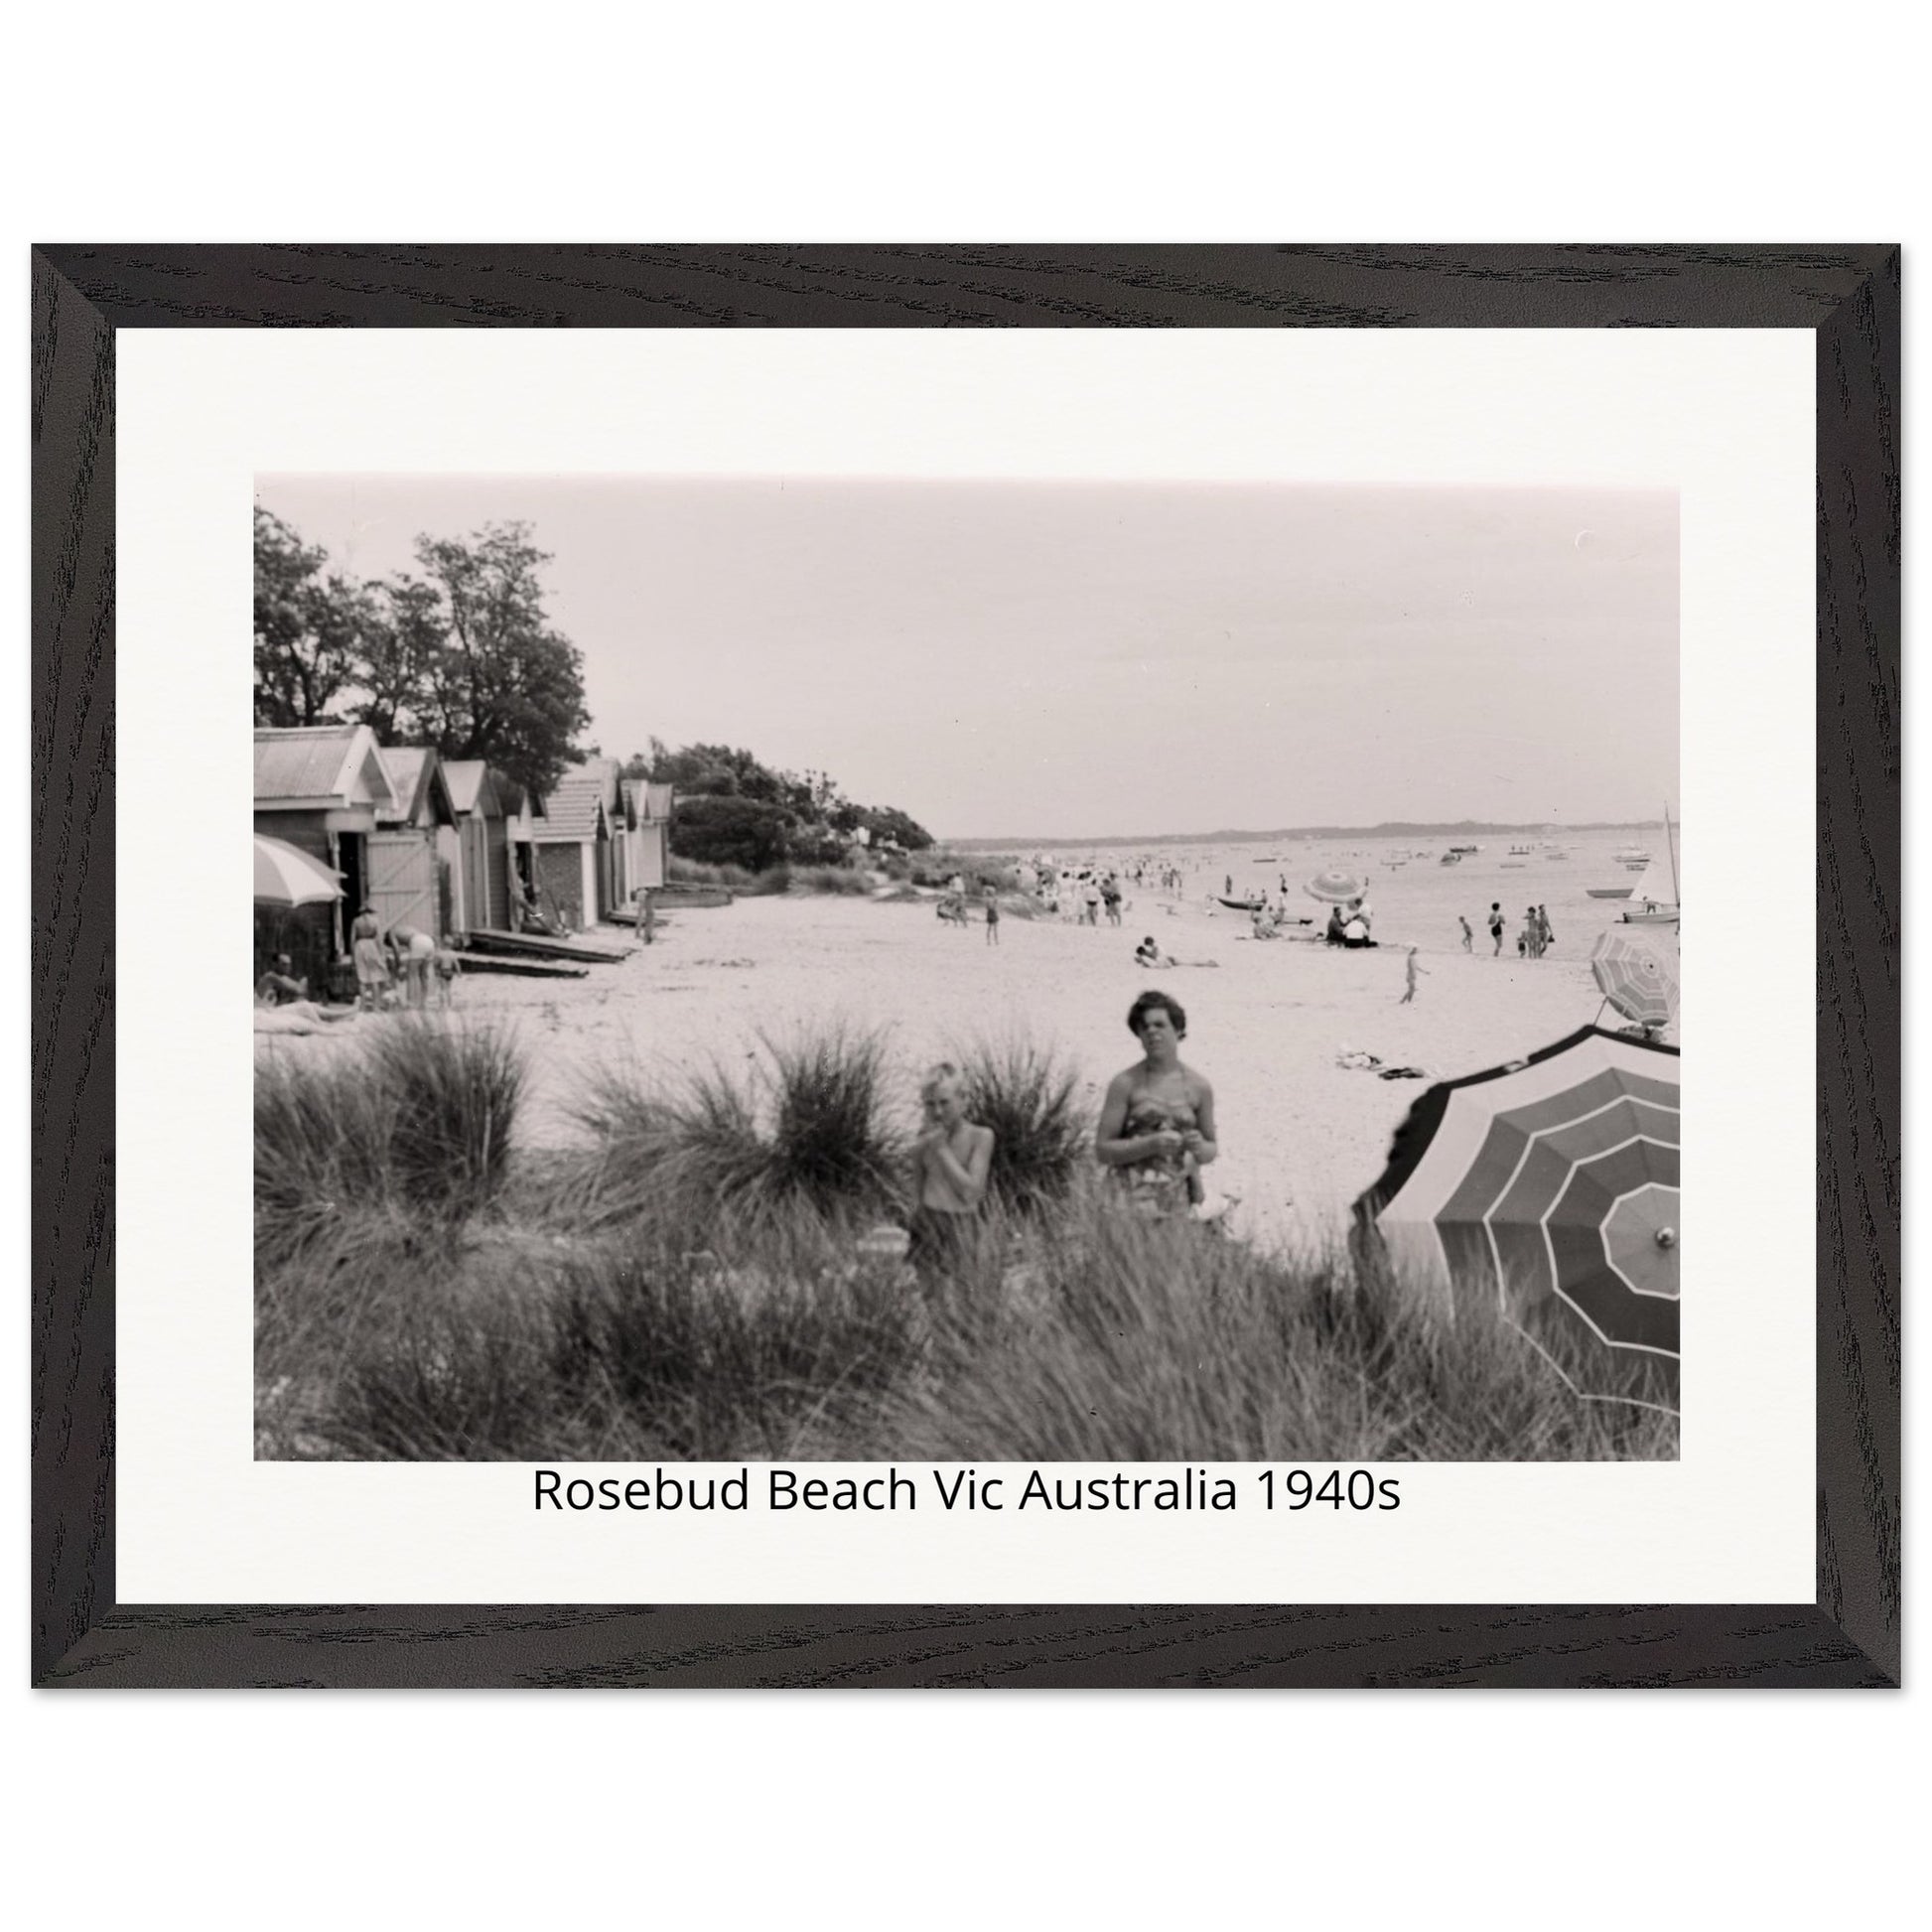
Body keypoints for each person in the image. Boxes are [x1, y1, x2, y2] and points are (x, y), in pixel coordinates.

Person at [1096, 990, 1218, 1216]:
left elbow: (1211, 1148)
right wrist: (1150, 1144)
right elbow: (1103, 1150)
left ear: (1178, 1029)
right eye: (1144, 1027)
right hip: (1125, 1207)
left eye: (1159, 1025)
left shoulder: (1199, 1087)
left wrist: (1198, 1146)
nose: (1152, 1032)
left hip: (1177, 1206)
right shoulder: (1125, 1084)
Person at [906, 1063, 995, 1283]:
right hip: (928, 1220)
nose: (937, 1112)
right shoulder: (923, 1140)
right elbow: (917, 1190)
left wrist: (942, 1150)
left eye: (944, 1103)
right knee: (930, 1297)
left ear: (963, 1100)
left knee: (963, 1295)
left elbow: (971, 1192)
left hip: (962, 1225)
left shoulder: (980, 1136)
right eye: (930, 1104)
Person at [349, 904, 390, 1010]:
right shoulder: (375, 920)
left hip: (360, 945)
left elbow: (352, 939)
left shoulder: (356, 921)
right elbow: (379, 938)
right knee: (375, 976)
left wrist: (352, 954)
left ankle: (363, 1006)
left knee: (362, 977)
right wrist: (381, 954)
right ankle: (376, 1006)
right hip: (371, 945)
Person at [391, 923, 436, 1006]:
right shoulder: (404, 928)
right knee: (423, 975)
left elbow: (396, 949)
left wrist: (399, 965)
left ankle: (411, 1002)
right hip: (429, 940)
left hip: (417, 941)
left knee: (411, 975)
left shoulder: (391, 933)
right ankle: (424, 1001)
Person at [432, 941, 463, 1008]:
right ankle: (449, 1004)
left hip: (442, 971)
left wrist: (435, 972)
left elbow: (435, 964)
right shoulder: (453, 953)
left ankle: (442, 1004)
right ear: (449, 946)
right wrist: (459, 972)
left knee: (442, 989)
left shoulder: (439, 954)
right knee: (448, 988)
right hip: (450, 971)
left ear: (443, 946)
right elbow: (457, 964)